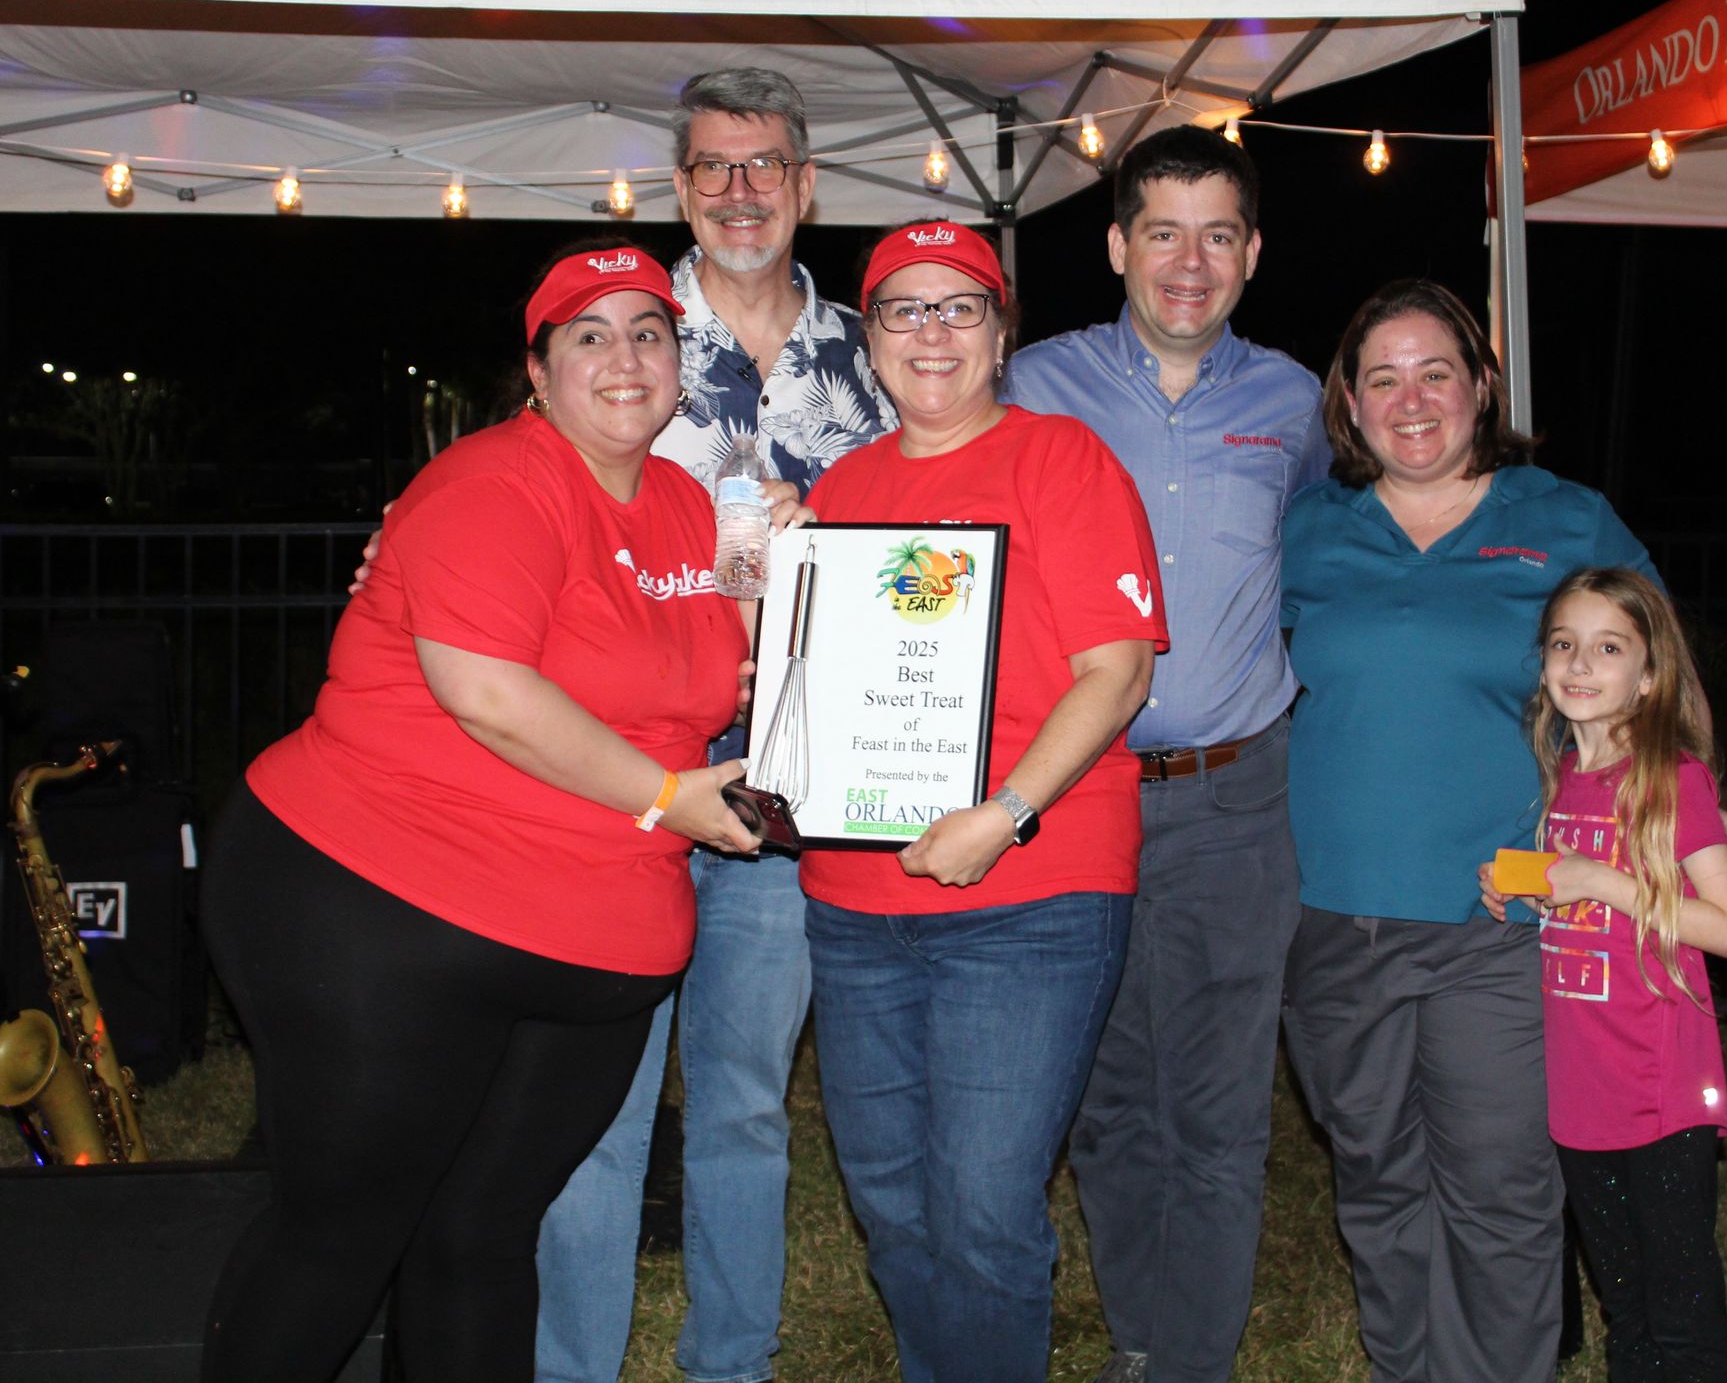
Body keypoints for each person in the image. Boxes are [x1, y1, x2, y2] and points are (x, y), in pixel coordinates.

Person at [200, 244, 769, 1383]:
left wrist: (774, 588)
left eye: (647, 333)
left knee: (483, 1231)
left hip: (587, 944)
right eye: (589, 336)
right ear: (539, 370)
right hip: (380, 905)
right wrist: (669, 800)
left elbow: (714, 680)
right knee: (346, 1231)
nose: (624, 359)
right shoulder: (490, 482)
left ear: (679, 363)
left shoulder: (685, 505)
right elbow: (493, 696)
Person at [534, 68, 895, 1383]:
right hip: (620, 766)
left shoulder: (884, 347)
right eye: (710, 167)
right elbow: (522, 505)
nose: (739, 192)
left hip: (790, 771)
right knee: (596, 1107)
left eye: (764, 167)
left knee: (744, 1098)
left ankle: (727, 1365)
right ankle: (572, 1365)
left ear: (804, 184)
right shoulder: (620, 336)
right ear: (676, 187)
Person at [801, 220, 1168, 1382]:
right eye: (903, 310)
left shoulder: (1063, 460)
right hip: (854, 902)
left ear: (1001, 332)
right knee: (893, 1201)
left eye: (959, 307)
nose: (932, 332)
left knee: (983, 1204)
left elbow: (1120, 672)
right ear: (870, 343)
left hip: (1032, 892)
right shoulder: (843, 492)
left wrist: (1004, 812)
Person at [1279, 277, 1656, 1383]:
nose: (1411, 400)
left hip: (1502, 917)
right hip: (1332, 920)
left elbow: (1658, 677)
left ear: (1481, 385)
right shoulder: (1308, 528)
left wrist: (1653, 816)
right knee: (1379, 1182)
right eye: (1382, 378)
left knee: (1498, 1187)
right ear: (1347, 405)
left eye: (1436, 372)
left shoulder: (1562, 519)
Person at [1003, 123, 1328, 1383]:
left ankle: (1189, 1359)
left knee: (1218, 1102)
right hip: (1074, 796)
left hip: (1238, 800)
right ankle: (1144, 1331)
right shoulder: (1032, 385)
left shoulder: (1299, 402)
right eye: (1161, 232)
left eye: (1216, 235)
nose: (1188, 262)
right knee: (1105, 1094)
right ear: (1115, 246)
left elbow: (1330, 553)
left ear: (1250, 253)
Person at [1481, 566, 1727, 1382]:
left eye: (1608, 647)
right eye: (1564, 644)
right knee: (1624, 1300)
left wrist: (1597, 880)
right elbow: (1581, 913)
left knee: (1681, 1302)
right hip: (1580, 1091)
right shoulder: (1561, 779)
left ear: (1649, 673)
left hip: (1660, 1090)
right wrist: (1523, 891)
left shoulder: (1672, 781)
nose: (1580, 664)